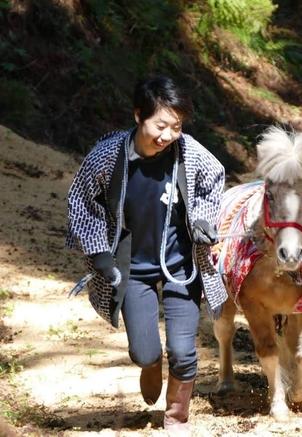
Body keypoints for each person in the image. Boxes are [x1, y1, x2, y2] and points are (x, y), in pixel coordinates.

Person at [66, 76, 226, 435]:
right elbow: (80, 201)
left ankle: (176, 417)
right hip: (132, 269)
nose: (169, 135)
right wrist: (99, 253)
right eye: (161, 125)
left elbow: (214, 179)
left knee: (184, 352)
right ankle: (150, 365)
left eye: (177, 126)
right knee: (144, 351)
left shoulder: (190, 153)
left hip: (180, 268)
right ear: (139, 116)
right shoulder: (108, 156)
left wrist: (203, 219)